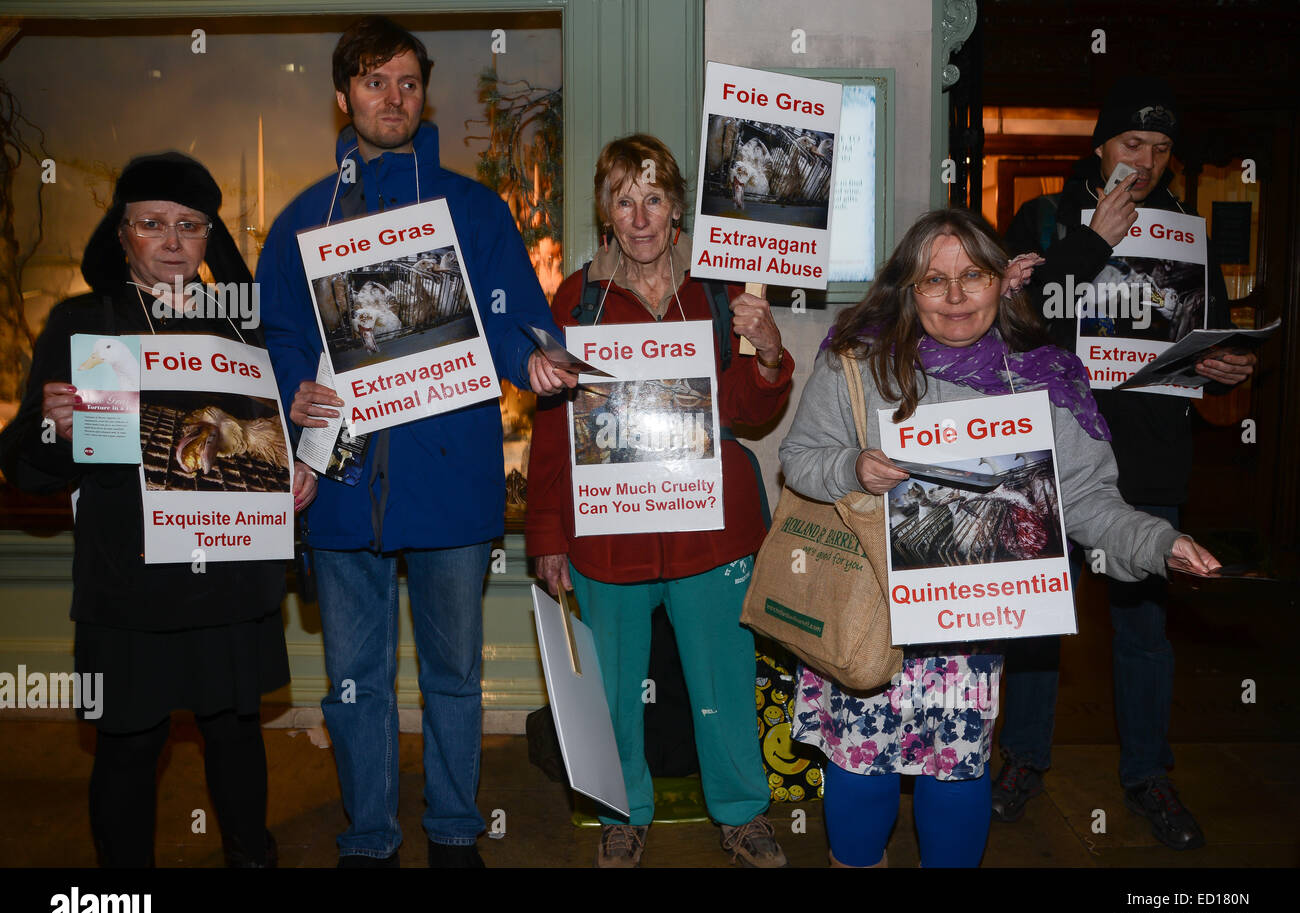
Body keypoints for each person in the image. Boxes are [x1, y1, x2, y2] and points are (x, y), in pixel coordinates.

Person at [778, 207, 1220, 867]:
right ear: (908, 288)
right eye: (934, 279)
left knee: (956, 770)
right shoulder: (859, 362)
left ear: (1001, 281)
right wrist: (853, 467)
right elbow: (799, 457)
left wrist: (1158, 542)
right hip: (868, 612)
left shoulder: (1041, 377)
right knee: (862, 770)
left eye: (973, 275)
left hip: (970, 624)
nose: (956, 296)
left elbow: (1088, 499)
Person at [256, 16, 573, 868]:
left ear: (421, 91)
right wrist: (295, 389)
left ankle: (455, 830)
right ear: (342, 97)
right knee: (354, 684)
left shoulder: (473, 210)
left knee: (454, 678)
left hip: (450, 480)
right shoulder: (299, 224)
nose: (392, 98)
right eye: (372, 82)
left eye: (406, 81)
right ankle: (367, 836)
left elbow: (515, 315)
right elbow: (278, 334)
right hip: (344, 484)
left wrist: (536, 360)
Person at [0, 152, 314, 867]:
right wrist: (57, 431)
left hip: (229, 578)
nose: (172, 240)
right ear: (121, 234)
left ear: (209, 238)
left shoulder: (241, 332)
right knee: (129, 744)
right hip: (130, 584)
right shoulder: (84, 322)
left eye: (189, 225)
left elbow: (276, 438)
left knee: (235, 733)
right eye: (152, 224)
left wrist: (295, 468)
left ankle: (251, 858)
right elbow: (22, 464)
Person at [997, 76, 1255, 849]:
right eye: (1133, 144)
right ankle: (1022, 760)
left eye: (1162, 148)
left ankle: (1148, 774)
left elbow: (1209, 329)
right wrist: (1094, 241)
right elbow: (1023, 320)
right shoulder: (1046, 215)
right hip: (1052, 454)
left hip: (1149, 457)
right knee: (1042, 622)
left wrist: (1224, 362)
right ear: (1102, 145)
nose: (1145, 161)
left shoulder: (1183, 228)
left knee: (1144, 630)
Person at [526, 134, 795, 867]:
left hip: (710, 528)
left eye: (653, 198)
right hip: (608, 533)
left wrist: (768, 350)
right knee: (614, 688)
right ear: (606, 213)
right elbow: (554, 428)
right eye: (623, 200)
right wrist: (546, 532)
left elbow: (742, 406)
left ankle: (742, 812)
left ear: (676, 205)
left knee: (725, 683)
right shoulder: (577, 297)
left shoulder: (715, 290)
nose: (640, 216)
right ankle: (622, 812)